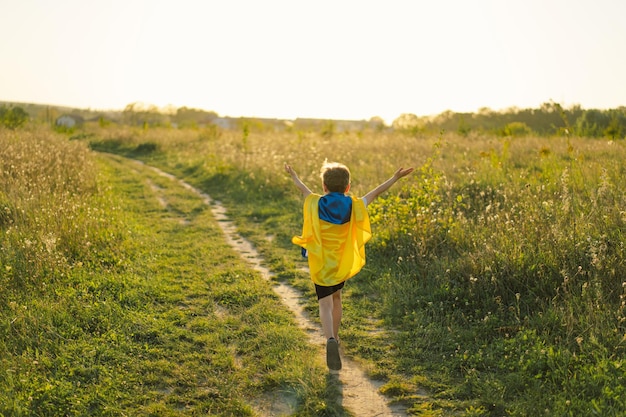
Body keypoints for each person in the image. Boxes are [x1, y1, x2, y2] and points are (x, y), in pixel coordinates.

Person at [285, 161, 414, 370]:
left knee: (324, 304)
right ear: (348, 187)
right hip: (340, 262)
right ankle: (336, 336)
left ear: (324, 186)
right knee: (337, 299)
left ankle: (330, 340)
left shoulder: (315, 202)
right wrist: (395, 178)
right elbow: (376, 193)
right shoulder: (353, 205)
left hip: (321, 263)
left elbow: (302, 189)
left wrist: (293, 175)